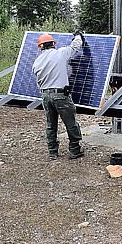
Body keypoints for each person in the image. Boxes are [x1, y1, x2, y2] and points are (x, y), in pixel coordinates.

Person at [32, 32, 85, 160]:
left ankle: (52, 152)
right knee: (70, 123)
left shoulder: (36, 62)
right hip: (60, 95)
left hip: (45, 96)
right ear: (53, 44)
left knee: (51, 124)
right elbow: (75, 46)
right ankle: (74, 150)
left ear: (40, 47)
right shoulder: (60, 53)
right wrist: (78, 36)